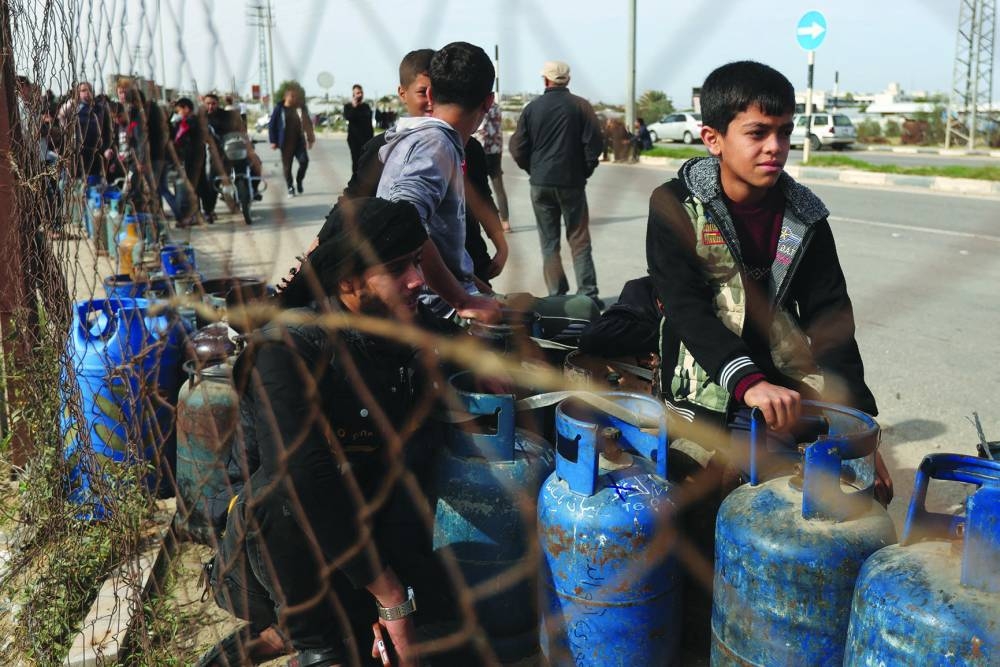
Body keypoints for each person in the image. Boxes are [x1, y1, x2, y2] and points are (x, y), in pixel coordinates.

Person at [200, 197, 469, 667]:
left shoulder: (393, 326)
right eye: (398, 267)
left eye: (417, 262)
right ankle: (309, 638)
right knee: (287, 486)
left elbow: (453, 339)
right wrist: (389, 595)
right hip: (275, 553)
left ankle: (292, 633)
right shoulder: (286, 351)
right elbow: (304, 479)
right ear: (347, 281)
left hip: (358, 532)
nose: (418, 280)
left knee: (450, 634)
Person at [644, 60, 892, 501]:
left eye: (784, 132)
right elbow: (684, 309)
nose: (775, 147)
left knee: (852, 498)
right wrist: (749, 382)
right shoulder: (676, 206)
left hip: (785, 383)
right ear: (713, 140)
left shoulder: (805, 216)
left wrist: (859, 430)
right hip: (705, 380)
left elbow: (831, 320)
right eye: (757, 133)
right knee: (707, 503)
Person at [375, 42, 501, 323]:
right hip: (436, 311)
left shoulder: (430, 140)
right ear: (488, 102)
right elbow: (403, 221)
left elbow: (439, 239)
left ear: (430, 93)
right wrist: (462, 298)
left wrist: (477, 288)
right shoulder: (435, 144)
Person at [510, 60, 604, 306]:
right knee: (579, 239)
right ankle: (588, 295)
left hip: (540, 183)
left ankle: (557, 296)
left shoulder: (532, 108)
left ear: (545, 80)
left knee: (549, 242)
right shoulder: (581, 106)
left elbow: (518, 147)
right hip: (572, 182)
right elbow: (594, 144)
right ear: (568, 80)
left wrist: (533, 169)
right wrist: (584, 171)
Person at [269, 85, 315, 197]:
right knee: (287, 167)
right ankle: (290, 187)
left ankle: (299, 181)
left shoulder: (300, 108)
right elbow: (272, 125)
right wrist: (273, 141)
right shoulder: (279, 109)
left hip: (299, 142)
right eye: (292, 96)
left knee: (304, 162)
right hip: (285, 143)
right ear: (286, 97)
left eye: (296, 96)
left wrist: (310, 139)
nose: (295, 98)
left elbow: (308, 123)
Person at [166, 97, 205, 227]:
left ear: (186, 109)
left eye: (179, 110)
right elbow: (170, 131)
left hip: (193, 159)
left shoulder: (193, 122)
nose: (178, 112)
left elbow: (183, 138)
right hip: (185, 159)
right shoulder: (182, 122)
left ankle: (192, 216)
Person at [473, 101, 511, 232]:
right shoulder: (495, 106)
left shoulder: (479, 103)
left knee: (478, 188)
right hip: (495, 150)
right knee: (499, 187)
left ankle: (484, 221)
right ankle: (505, 222)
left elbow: (482, 130)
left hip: (483, 150)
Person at [343, 83, 374, 175]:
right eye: (357, 93)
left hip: (367, 140)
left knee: (366, 163)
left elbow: (369, 123)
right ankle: (355, 184)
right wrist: (354, 106)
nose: (359, 95)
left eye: (360, 93)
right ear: (353, 95)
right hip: (354, 140)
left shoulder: (366, 107)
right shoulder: (348, 107)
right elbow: (348, 117)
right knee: (356, 162)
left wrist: (372, 139)